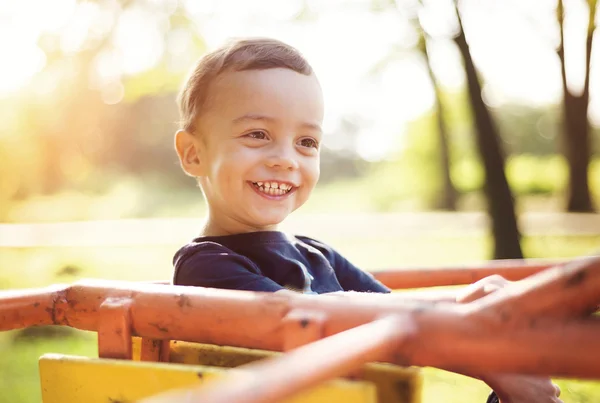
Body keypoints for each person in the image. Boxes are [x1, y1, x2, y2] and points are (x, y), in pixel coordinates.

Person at [171, 37, 562, 403]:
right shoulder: (206, 266)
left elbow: (390, 310)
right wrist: (476, 346)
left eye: (307, 142)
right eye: (257, 134)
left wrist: (469, 311)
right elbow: (313, 321)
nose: (286, 158)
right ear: (192, 154)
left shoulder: (315, 252)